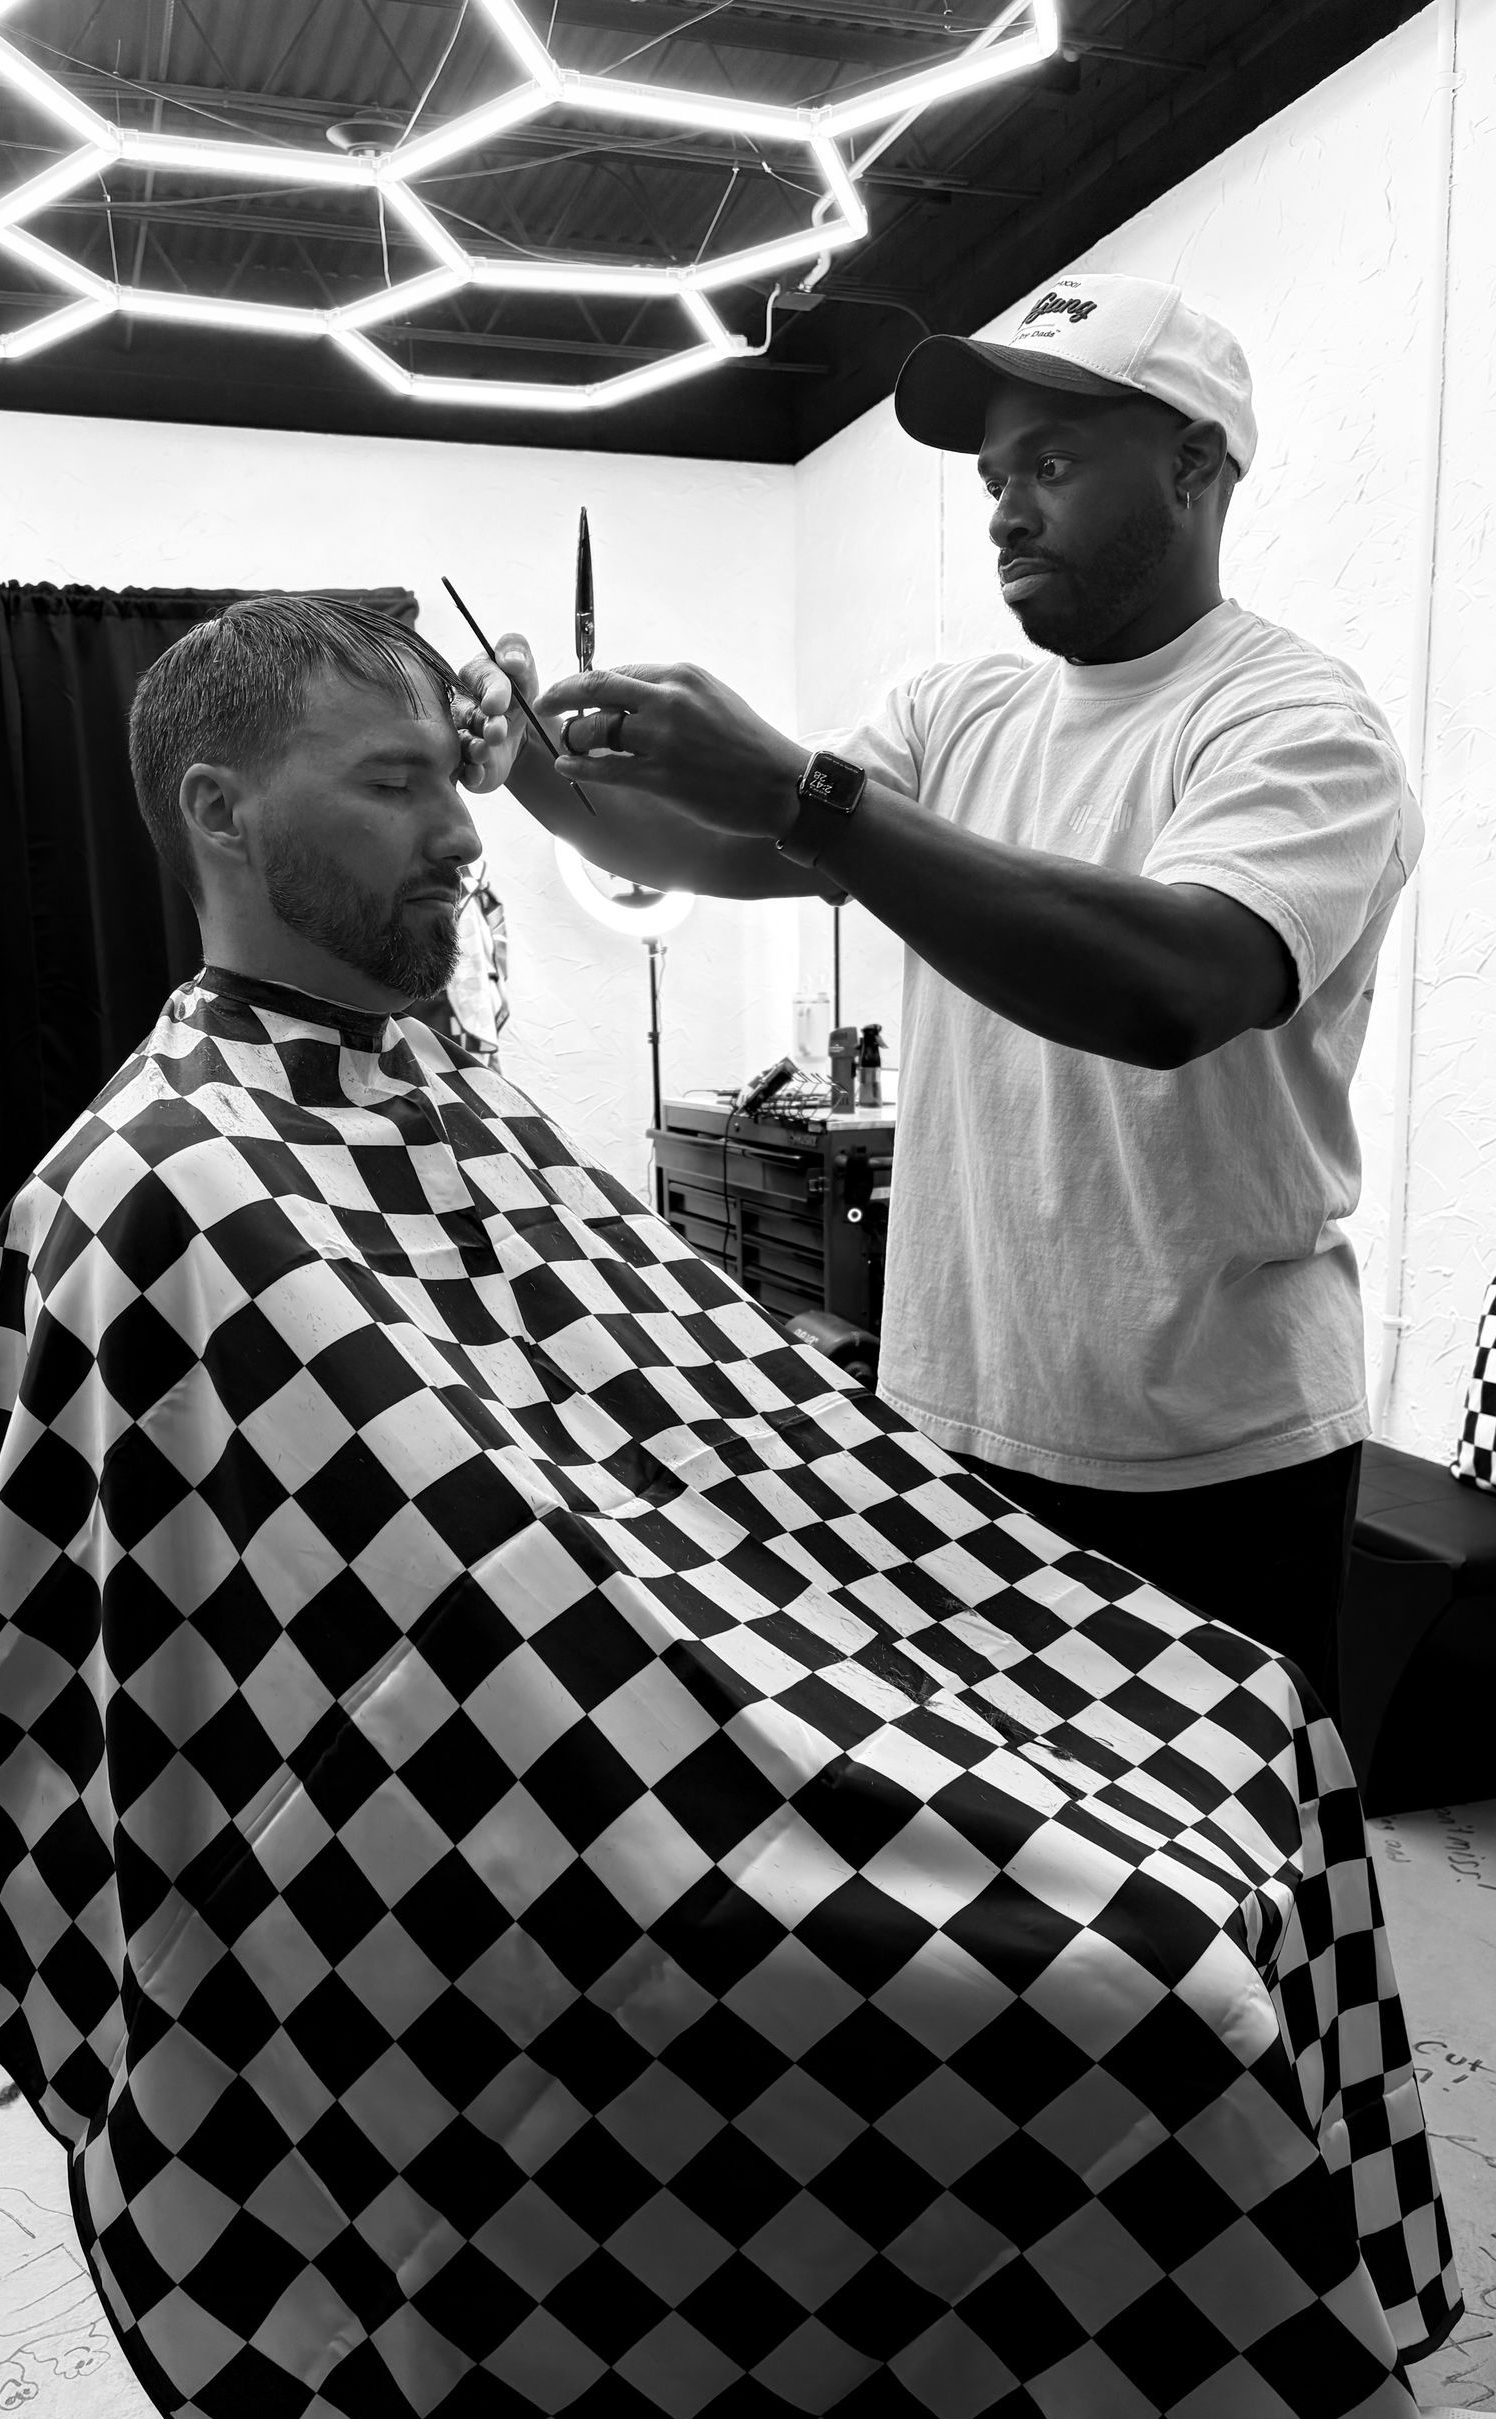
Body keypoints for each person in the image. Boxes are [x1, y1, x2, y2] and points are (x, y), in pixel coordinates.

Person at [0, 592, 1496, 2419]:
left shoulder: (402, 1096)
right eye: (399, 787)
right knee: (1137, 1986)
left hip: (693, 1684)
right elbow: (345, 1593)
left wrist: (802, 1597)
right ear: (217, 806)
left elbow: (654, 1446)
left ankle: (1322, 2408)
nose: (467, 840)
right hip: (556, 1835)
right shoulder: (172, 1177)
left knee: (1255, 1717)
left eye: (455, 783)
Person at [495, 271, 1406, 1732]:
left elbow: (1175, 983)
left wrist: (812, 798)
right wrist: (540, 772)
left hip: (1208, 1455)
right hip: (960, 1422)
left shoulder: (1296, 724)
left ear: (1194, 468)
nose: (1001, 510)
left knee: (1215, 1890)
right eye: (993, 478)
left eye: (1048, 465)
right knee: (1002, 1883)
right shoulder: (954, 712)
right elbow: (702, 848)